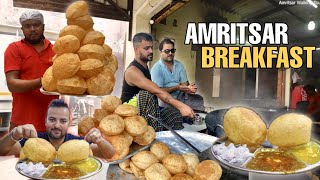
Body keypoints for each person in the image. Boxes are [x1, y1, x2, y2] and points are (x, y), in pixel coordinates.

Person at [120, 33, 194, 131]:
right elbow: (157, 91)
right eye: (146, 48)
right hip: (131, 114)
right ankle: (154, 137)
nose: (151, 51)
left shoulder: (145, 67)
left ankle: (168, 138)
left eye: (151, 47)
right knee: (146, 95)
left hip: (147, 110)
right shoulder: (133, 71)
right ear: (136, 50)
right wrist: (181, 106)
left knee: (175, 116)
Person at [0, 99, 116, 160]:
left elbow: (109, 154)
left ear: (69, 124)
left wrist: (99, 140)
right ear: (45, 121)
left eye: (63, 121)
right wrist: (13, 135)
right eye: (52, 119)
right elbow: (2, 151)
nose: (57, 125)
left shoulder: (78, 143)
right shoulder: (33, 140)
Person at [4, 10, 58, 132]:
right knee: (20, 151)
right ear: (22, 29)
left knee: (52, 152)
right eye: (27, 26)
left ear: (43, 26)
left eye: (36, 25)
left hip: (52, 122)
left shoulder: (55, 50)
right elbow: (12, 84)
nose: (32, 29)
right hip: (22, 122)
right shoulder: (14, 48)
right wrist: (44, 81)